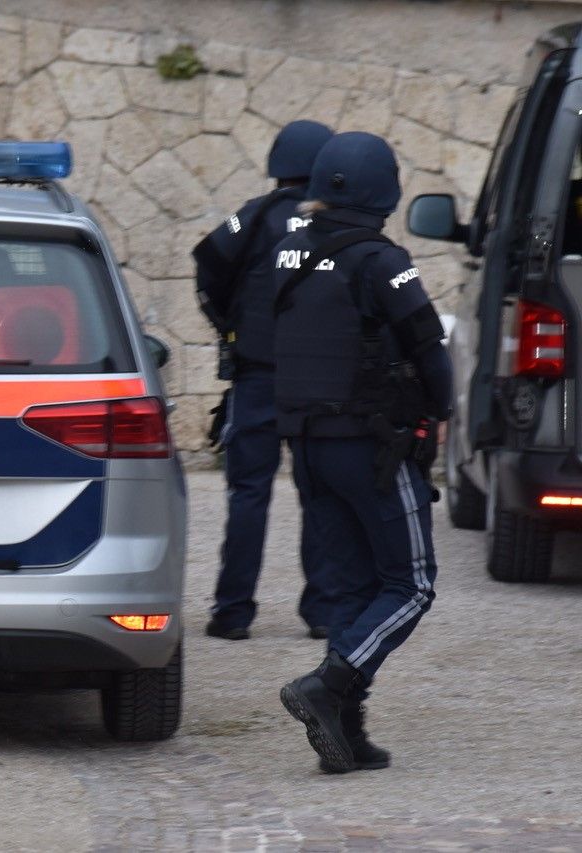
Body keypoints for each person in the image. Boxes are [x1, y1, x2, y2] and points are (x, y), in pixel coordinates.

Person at [271, 132, 452, 773]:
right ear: (386, 191)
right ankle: (330, 683)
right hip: (374, 447)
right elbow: (428, 343)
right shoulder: (385, 259)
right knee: (411, 583)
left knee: (350, 587)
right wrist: (444, 408)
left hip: (308, 447)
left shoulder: (288, 251)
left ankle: (345, 735)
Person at [192, 119, 339, 641]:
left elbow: (206, 264)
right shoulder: (339, 225)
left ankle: (232, 614)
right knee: (319, 495)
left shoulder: (255, 217)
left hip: (256, 379)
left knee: (248, 495)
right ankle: (322, 612)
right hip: (319, 387)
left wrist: (228, 326)